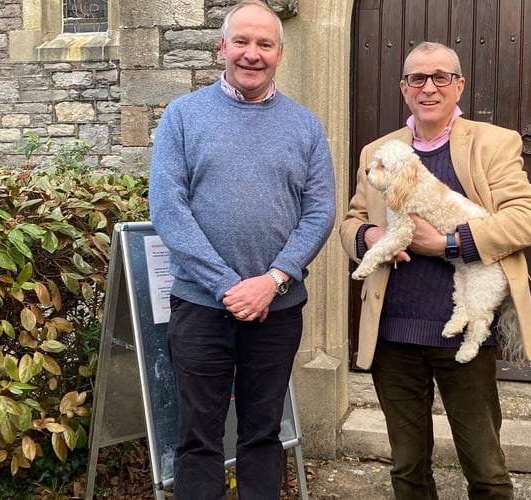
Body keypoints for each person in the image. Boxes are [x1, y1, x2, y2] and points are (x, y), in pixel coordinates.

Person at [339, 41, 531, 499]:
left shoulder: (494, 143)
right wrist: (368, 239)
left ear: (459, 86)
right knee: (408, 468)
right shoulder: (378, 151)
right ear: (404, 88)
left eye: (440, 77)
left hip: (461, 335)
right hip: (394, 332)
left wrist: (449, 243)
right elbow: (352, 220)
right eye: (417, 78)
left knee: (486, 469)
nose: (428, 87)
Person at [148, 1, 336, 498]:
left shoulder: (305, 126)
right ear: (222, 48)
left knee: (261, 434)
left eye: (264, 44)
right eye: (242, 42)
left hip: (277, 309)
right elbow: (169, 210)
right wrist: (230, 286)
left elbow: (319, 213)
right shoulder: (182, 117)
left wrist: (272, 280)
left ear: (280, 53)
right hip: (201, 308)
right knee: (198, 439)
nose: (252, 54)